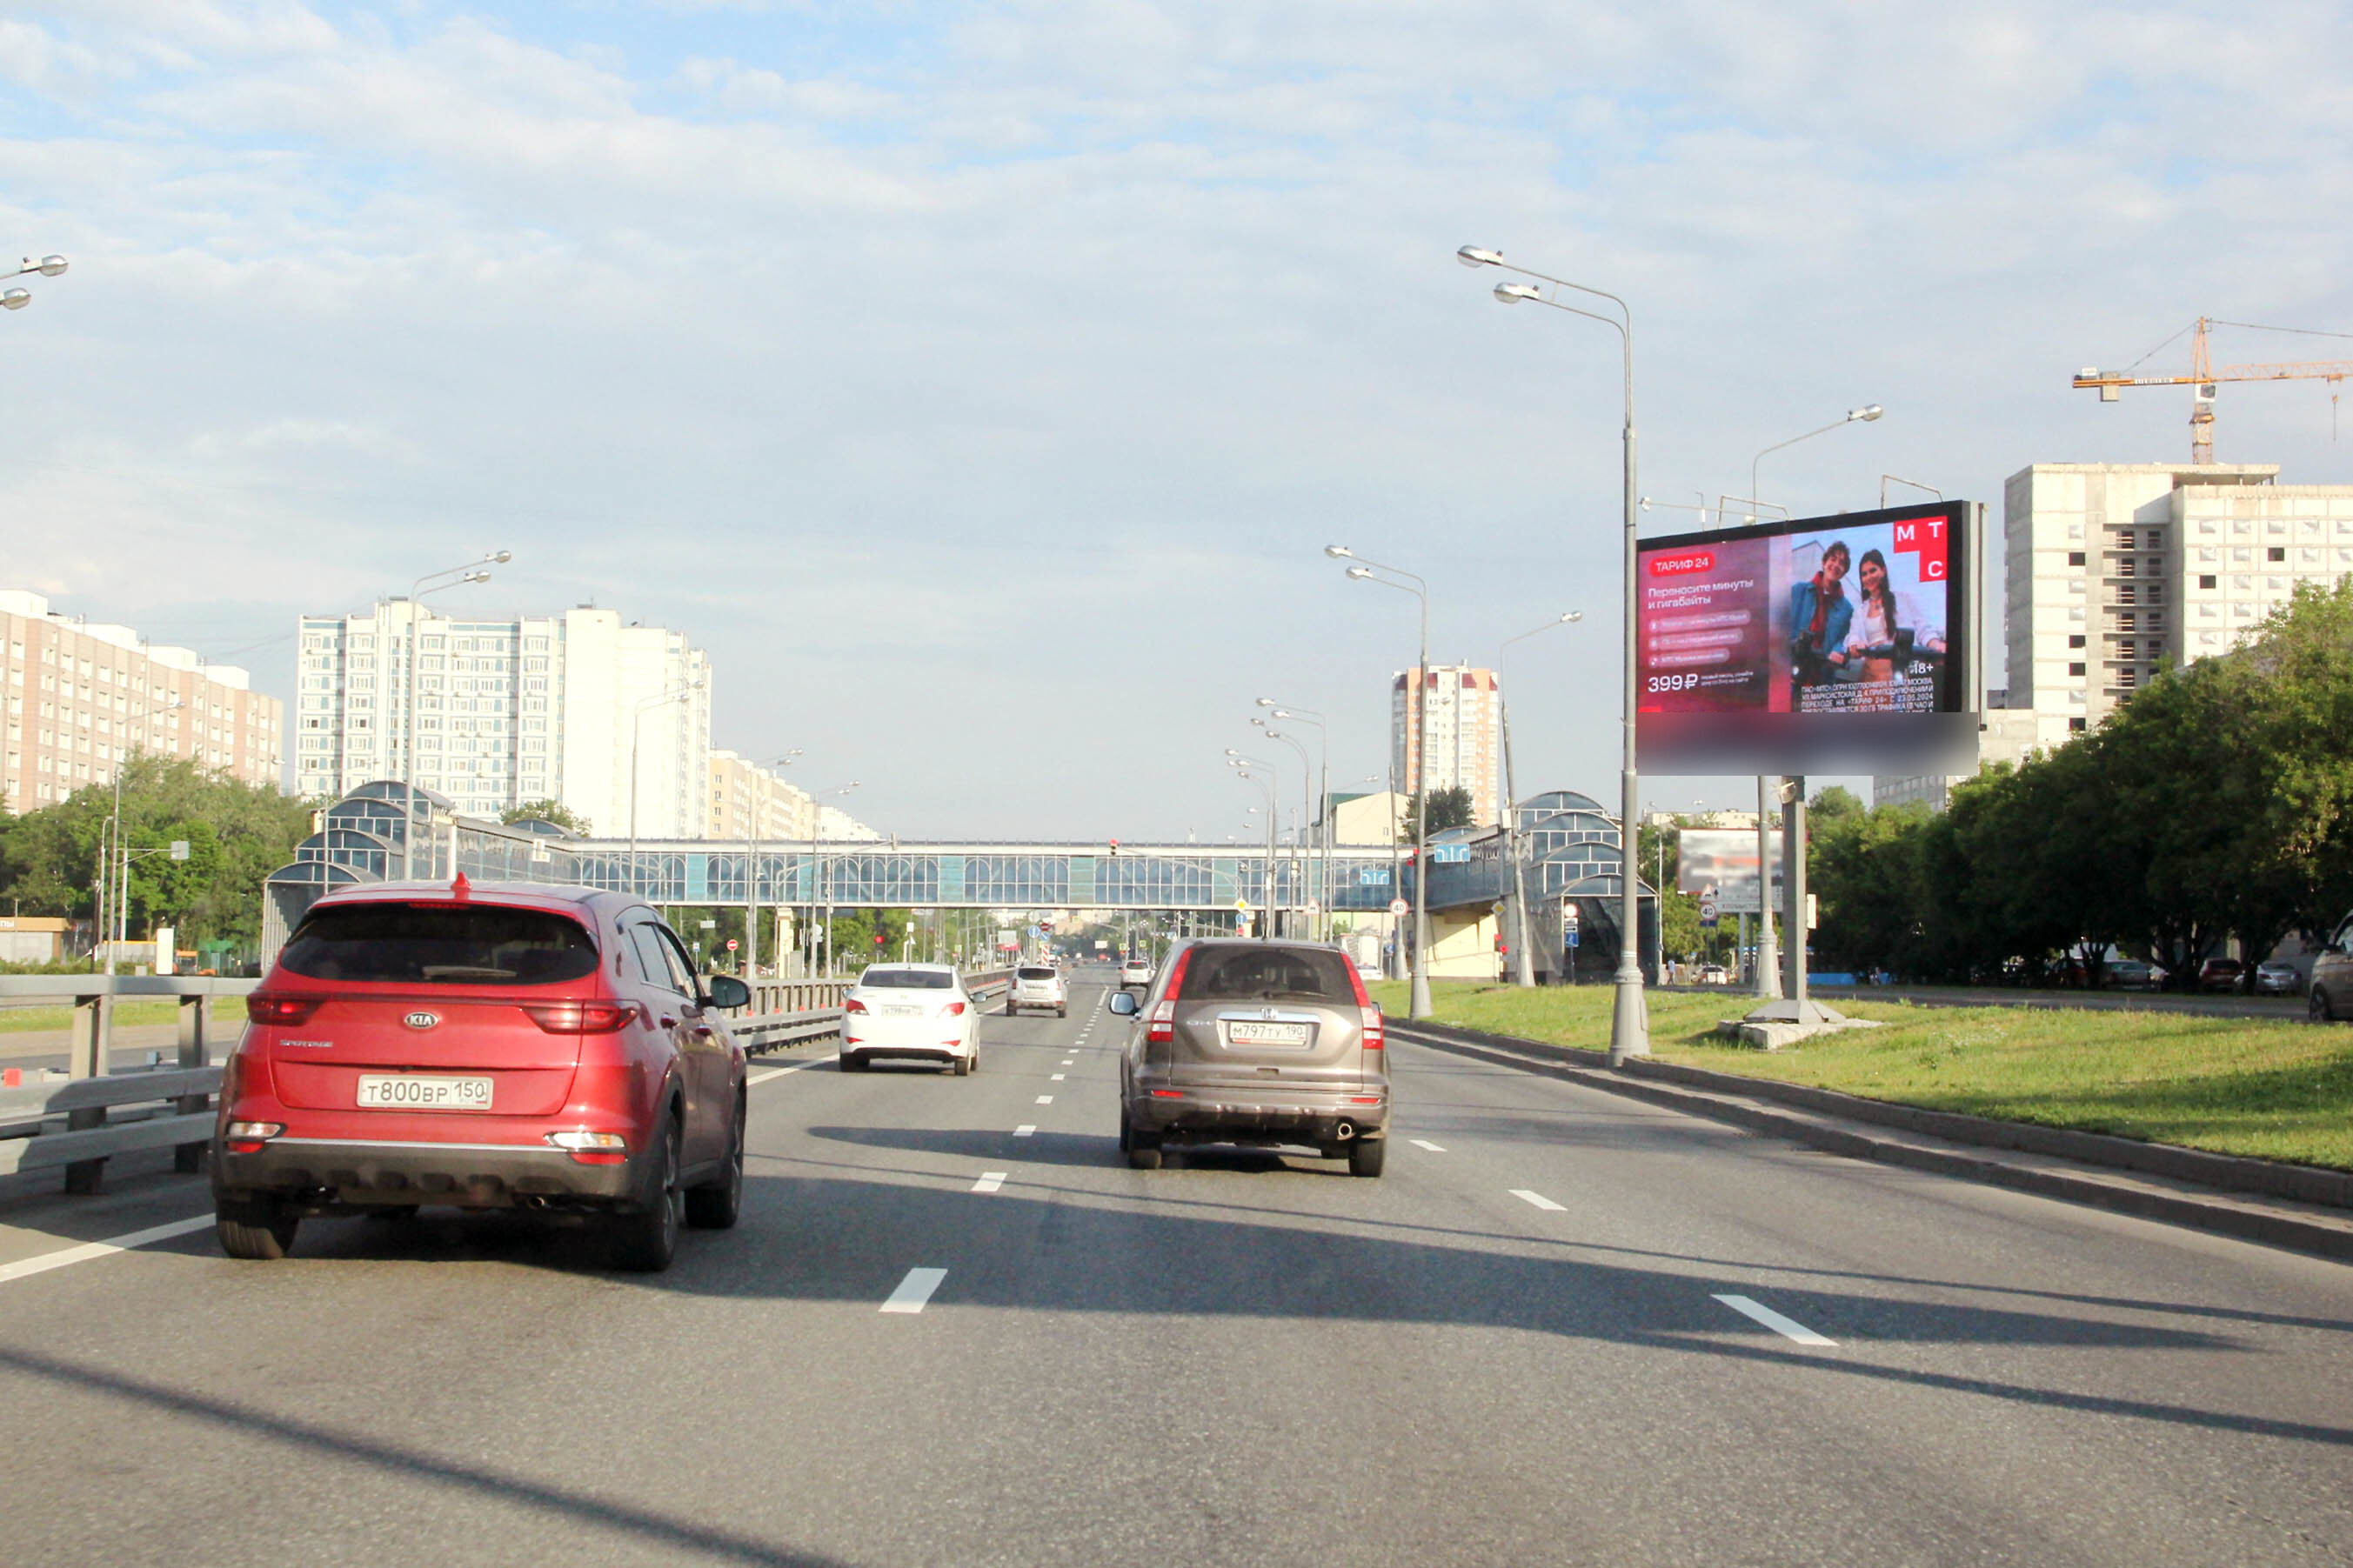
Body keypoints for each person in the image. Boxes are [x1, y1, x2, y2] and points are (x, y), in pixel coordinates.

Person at [1843, 548, 1947, 682]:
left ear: (1884, 570)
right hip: (1870, 675)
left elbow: (1922, 629)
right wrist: (1855, 644)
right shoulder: (1860, 611)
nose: (1869, 577)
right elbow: (1854, 635)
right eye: (1864, 574)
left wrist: (1937, 645)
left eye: (1873, 570)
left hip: (1899, 673)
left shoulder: (1903, 599)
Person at [1788, 540, 1853, 691]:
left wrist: (1839, 652)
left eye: (1842, 563)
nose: (1836, 565)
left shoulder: (1847, 608)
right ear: (1824, 562)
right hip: (1792, 674)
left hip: (1823, 678)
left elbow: (1843, 640)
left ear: (1844, 572)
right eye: (1833, 559)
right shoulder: (1798, 591)